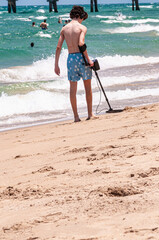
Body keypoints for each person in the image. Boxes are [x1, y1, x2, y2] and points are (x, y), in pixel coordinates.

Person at [55, 5, 96, 122]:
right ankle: (90, 114)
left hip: (71, 58)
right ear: (80, 16)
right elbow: (81, 43)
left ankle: (76, 117)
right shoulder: (82, 27)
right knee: (87, 87)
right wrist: (88, 60)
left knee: (73, 89)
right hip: (81, 58)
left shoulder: (64, 29)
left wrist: (56, 65)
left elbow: (58, 47)